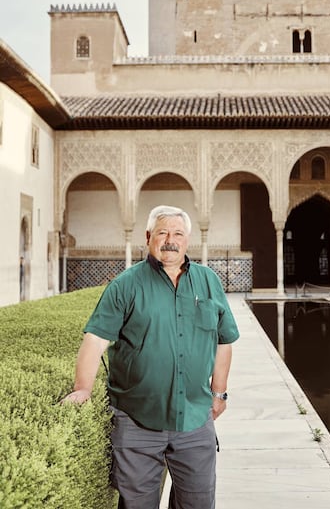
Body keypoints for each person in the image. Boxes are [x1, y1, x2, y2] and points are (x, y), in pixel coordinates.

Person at [62, 205, 240, 509]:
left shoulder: (208, 281)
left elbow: (224, 340)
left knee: (198, 503)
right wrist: (83, 388)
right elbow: (95, 339)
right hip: (137, 422)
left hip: (195, 420)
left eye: (178, 233)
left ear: (188, 240)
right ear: (148, 237)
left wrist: (219, 392)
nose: (170, 239)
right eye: (163, 232)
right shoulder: (126, 285)